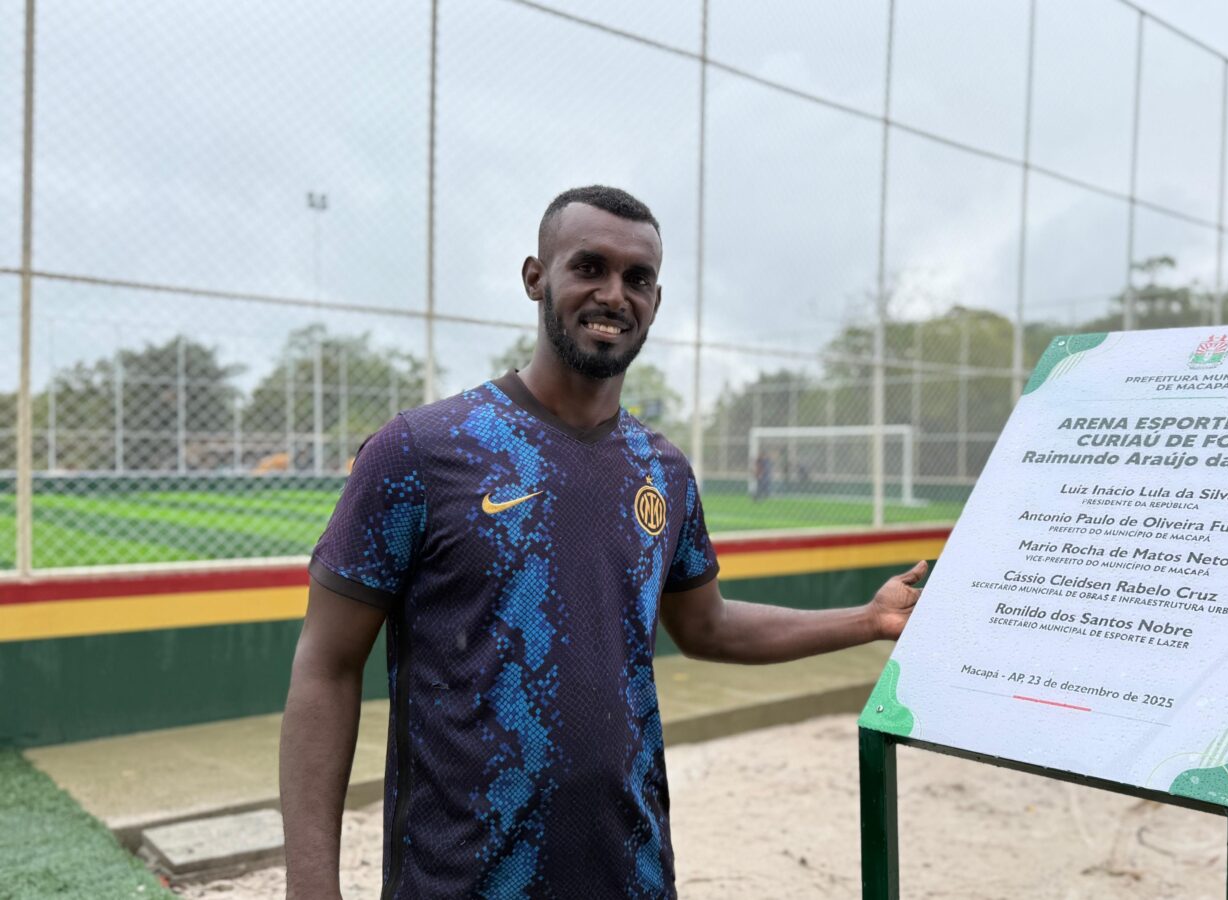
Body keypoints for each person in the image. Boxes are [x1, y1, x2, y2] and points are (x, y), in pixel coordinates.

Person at [278, 185, 927, 899]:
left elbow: (707, 626)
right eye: (589, 267)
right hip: (459, 882)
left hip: (632, 874)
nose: (614, 295)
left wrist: (868, 620)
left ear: (655, 298)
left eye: (637, 278)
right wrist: (311, 890)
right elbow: (326, 667)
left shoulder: (663, 469)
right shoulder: (421, 450)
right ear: (536, 278)